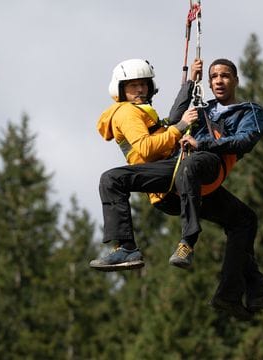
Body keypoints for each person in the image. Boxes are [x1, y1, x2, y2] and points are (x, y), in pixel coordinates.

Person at [158, 58, 263, 319]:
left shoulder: (250, 112)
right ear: (209, 83)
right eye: (214, 77)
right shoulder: (202, 110)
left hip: (207, 176)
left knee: (243, 220)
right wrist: (189, 84)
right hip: (188, 175)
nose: (219, 81)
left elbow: (244, 141)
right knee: (243, 219)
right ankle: (246, 292)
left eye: (225, 76)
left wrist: (205, 144)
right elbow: (174, 121)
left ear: (235, 80)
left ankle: (240, 294)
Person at [89, 58, 199, 271]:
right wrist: (182, 126)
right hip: (168, 174)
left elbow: (172, 120)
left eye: (144, 84)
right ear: (121, 89)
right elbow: (147, 148)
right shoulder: (127, 112)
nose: (140, 89)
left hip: (171, 175)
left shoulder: (144, 113)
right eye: (133, 85)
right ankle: (126, 247)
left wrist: (190, 83)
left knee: (242, 218)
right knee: (111, 179)